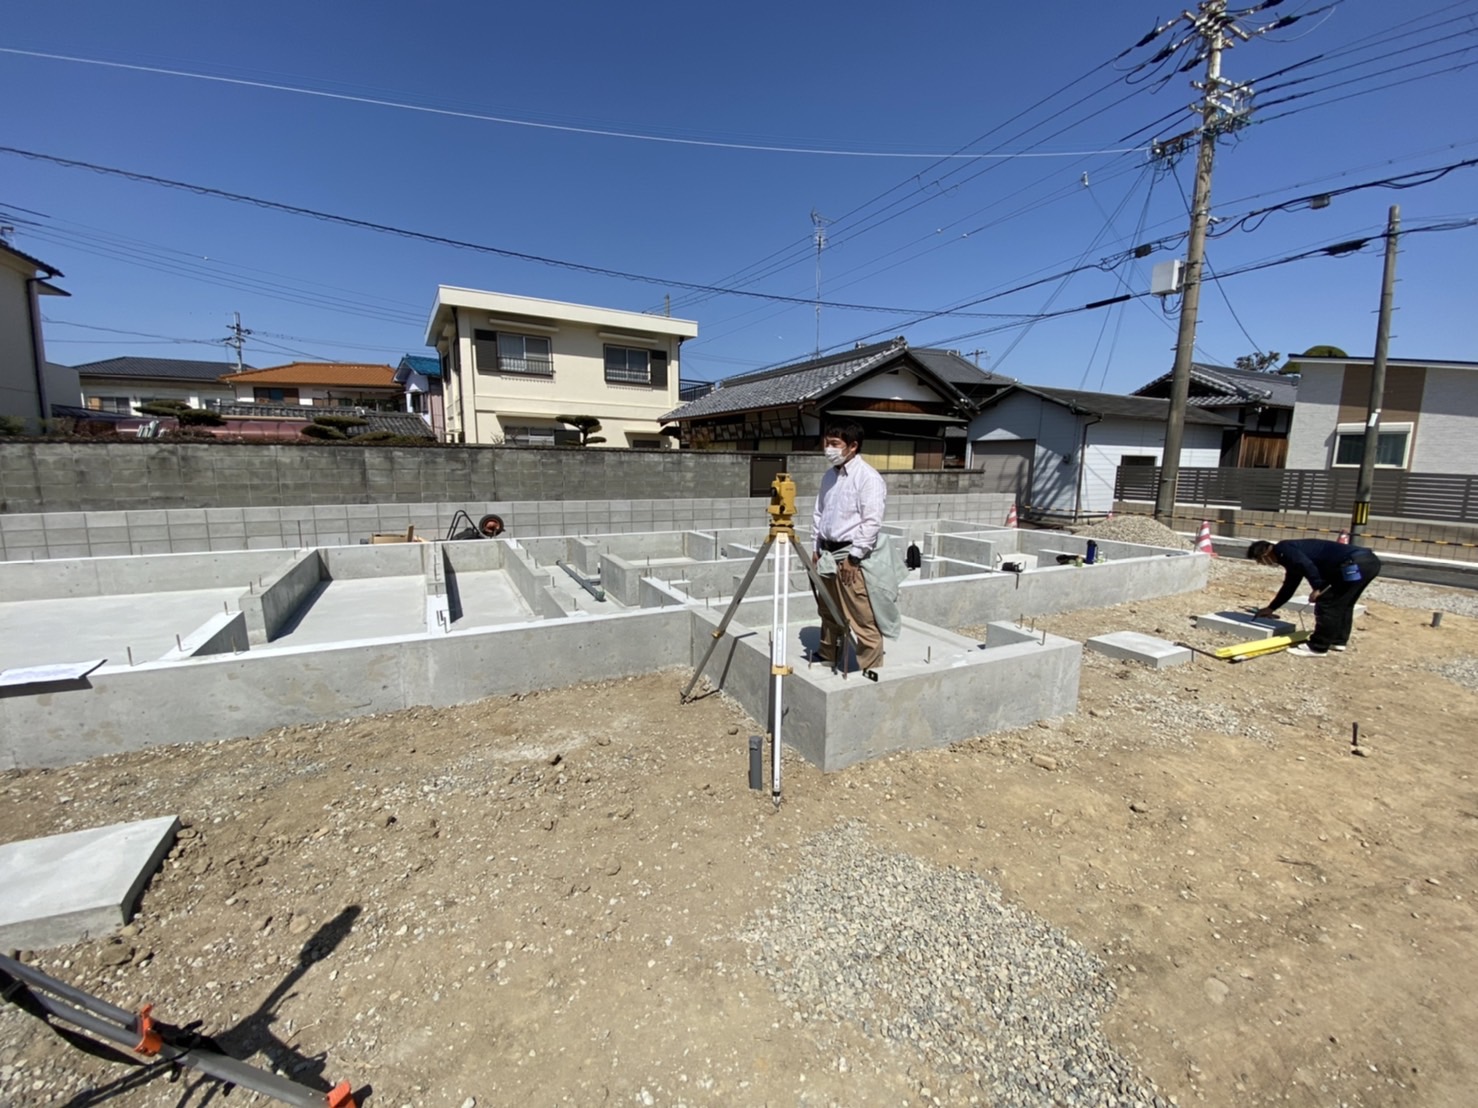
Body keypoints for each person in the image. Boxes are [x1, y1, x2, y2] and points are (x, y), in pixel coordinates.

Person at [811, 421, 890, 672]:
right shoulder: (829, 476)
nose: (829, 449)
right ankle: (828, 654)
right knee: (827, 608)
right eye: (827, 443)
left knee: (860, 614)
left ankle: (871, 668)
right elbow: (818, 513)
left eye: (835, 444)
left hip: (849, 554)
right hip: (826, 551)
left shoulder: (867, 478)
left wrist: (854, 558)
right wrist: (815, 546)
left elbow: (872, 521)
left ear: (853, 446)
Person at [1247, 538, 1382, 656]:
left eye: (1260, 561)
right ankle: (1338, 641)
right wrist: (1271, 608)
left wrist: (1318, 588)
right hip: (1368, 563)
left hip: (1353, 563)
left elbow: (1307, 565)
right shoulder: (1288, 556)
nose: (1263, 564)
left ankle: (1318, 647)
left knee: (1327, 602)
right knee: (1343, 603)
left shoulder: (1284, 548)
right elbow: (1290, 585)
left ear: (1264, 554)